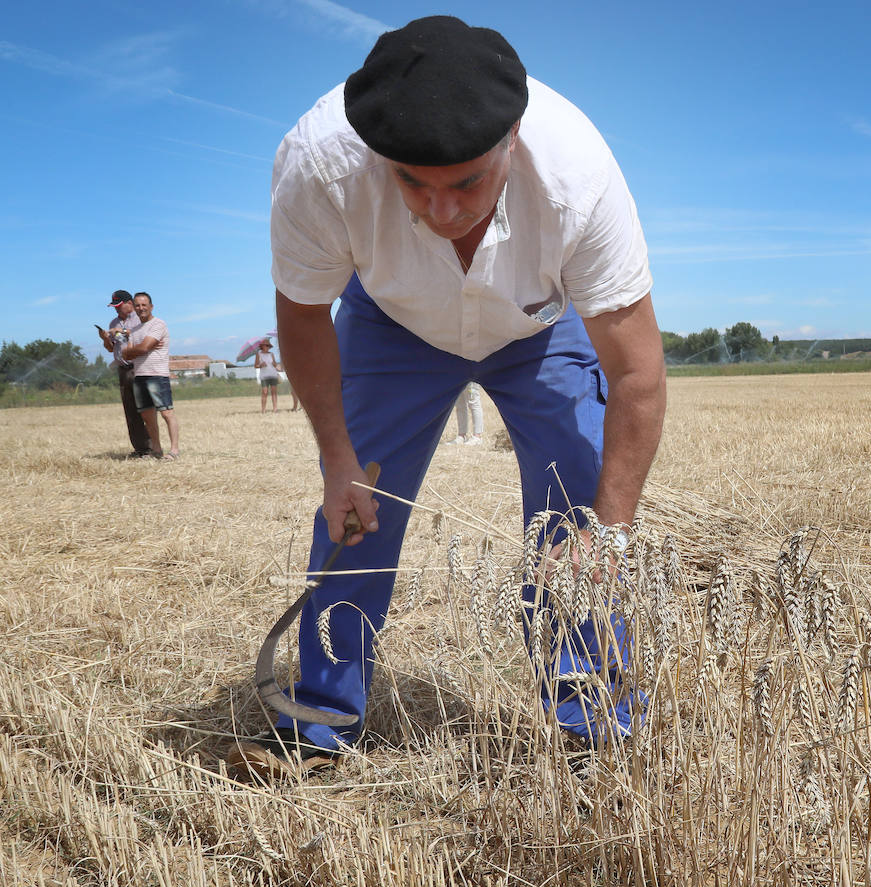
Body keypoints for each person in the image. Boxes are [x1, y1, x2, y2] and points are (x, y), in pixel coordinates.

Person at [229, 15, 665, 776]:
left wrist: (614, 530)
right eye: (411, 183)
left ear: (513, 138)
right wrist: (337, 460)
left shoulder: (578, 174)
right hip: (392, 319)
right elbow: (302, 318)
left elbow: (636, 374)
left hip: (537, 324)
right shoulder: (317, 165)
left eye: (466, 182)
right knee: (356, 509)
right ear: (375, 155)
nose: (441, 212)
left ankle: (589, 722)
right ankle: (321, 722)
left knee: (577, 514)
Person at [122, 292, 181, 460]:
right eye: (138, 305)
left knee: (166, 413)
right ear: (134, 308)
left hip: (157, 375)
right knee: (148, 416)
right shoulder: (134, 330)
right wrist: (139, 349)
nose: (141, 308)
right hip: (139, 375)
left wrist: (139, 349)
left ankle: (174, 450)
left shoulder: (158, 324)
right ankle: (156, 449)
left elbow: (141, 349)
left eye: (144, 305)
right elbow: (127, 354)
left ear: (151, 306)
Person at [96, 290, 154, 457]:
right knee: (130, 411)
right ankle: (141, 448)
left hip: (139, 367)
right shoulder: (113, 322)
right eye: (114, 307)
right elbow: (110, 348)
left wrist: (121, 333)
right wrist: (105, 338)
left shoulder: (140, 318)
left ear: (129, 303)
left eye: (119, 306)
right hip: (123, 370)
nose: (116, 310)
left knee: (146, 409)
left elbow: (142, 341)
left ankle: (153, 447)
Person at [255, 340, 281, 412]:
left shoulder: (271, 354)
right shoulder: (258, 354)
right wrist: (260, 365)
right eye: (265, 345)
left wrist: (276, 366)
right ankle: (263, 410)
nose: (267, 347)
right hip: (264, 376)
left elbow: (275, 364)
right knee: (265, 392)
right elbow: (255, 366)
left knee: (274, 392)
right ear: (262, 346)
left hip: (273, 375)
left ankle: (275, 409)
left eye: (268, 346)